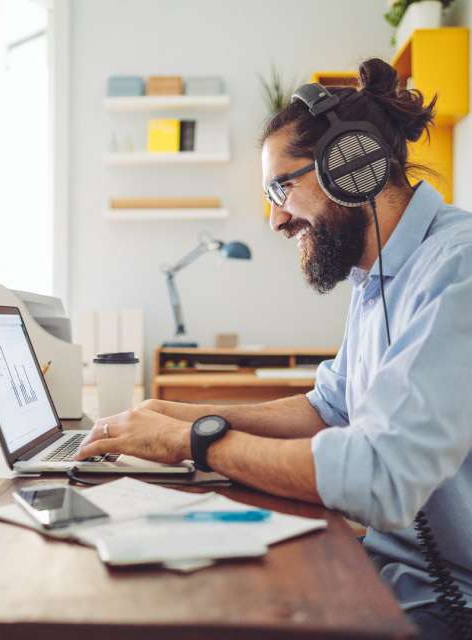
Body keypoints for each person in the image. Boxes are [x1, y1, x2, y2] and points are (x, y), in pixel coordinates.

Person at [76, 58, 472, 639]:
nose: (274, 218)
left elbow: (379, 478)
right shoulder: (378, 278)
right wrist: (176, 415)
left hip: (446, 605)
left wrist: (195, 441)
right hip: (387, 574)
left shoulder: (456, 270)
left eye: (279, 188)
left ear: (353, 166)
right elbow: (328, 410)